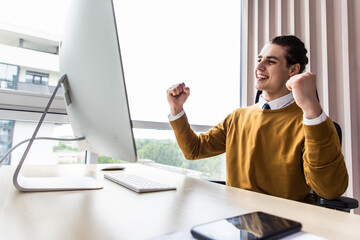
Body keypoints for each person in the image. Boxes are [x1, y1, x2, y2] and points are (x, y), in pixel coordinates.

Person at [166, 35, 348, 203]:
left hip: (285, 226)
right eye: (259, 60)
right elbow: (194, 150)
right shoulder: (238, 117)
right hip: (236, 220)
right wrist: (177, 108)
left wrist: (312, 110)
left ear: (293, 70)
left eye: (270, 62)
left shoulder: (312, 122)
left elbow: (329, 190)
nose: (259, 67)